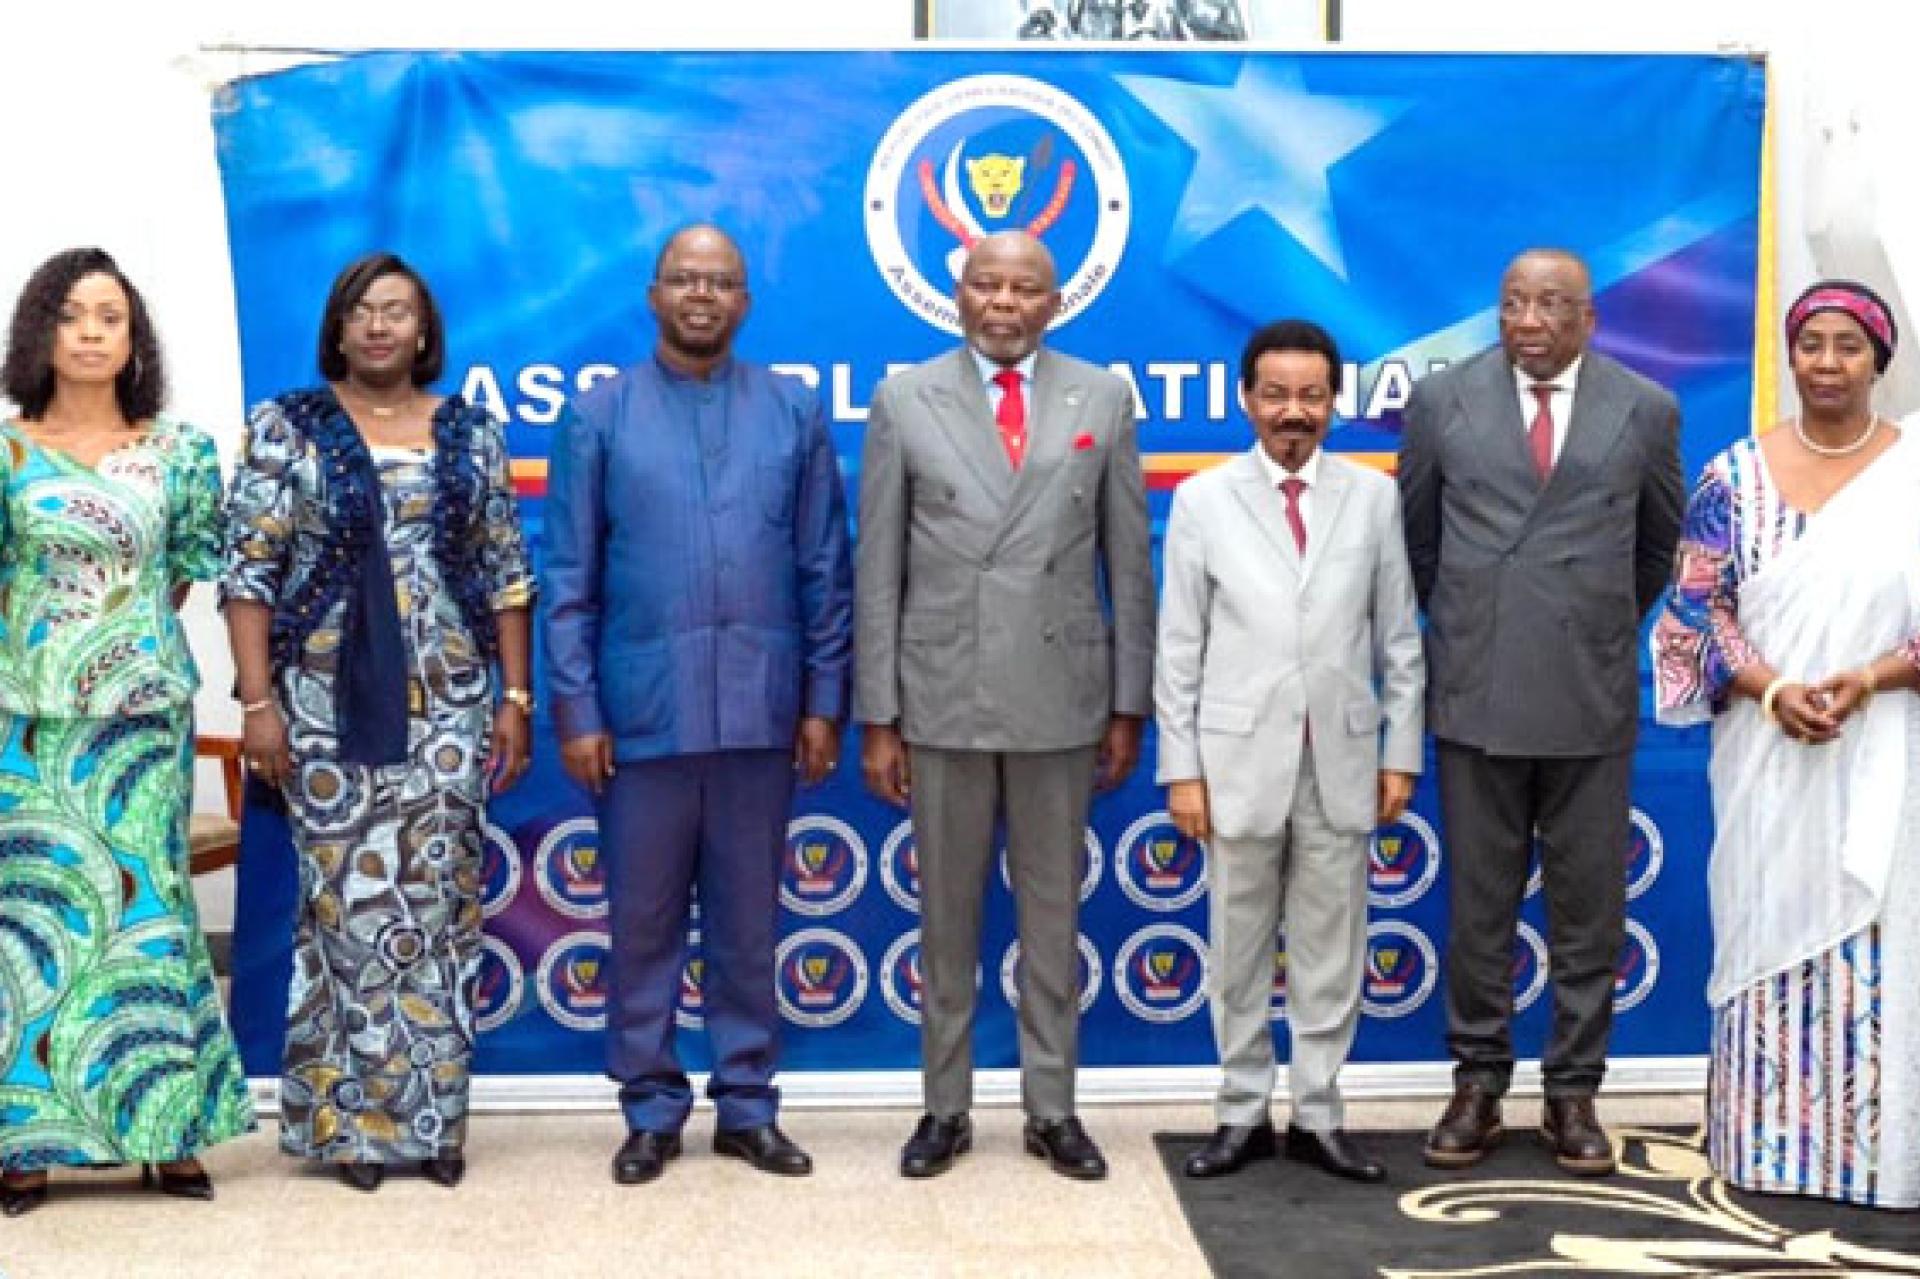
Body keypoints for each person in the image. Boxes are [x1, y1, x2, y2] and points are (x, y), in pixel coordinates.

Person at [542, 224, 852, 1187]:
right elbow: (568, 580)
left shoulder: (793, 413)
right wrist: (578, 711)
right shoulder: (599, 417)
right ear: (654, 293)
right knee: (640, 922)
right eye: (686, 279)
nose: (703, 296)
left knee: (749, 920)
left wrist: (824, 701)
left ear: (746, 301)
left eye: (721, 281)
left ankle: (748, 1104)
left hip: (762, 713)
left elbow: (822, 570)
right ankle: (649, 1106)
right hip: (639, 720)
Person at [221, 252, 535, 1193]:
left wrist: (514, 698)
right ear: (338, 327)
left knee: (438, 904)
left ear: (425, 329)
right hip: (319, 704)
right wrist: (256, 704)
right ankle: (350, 1123)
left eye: (397, 311)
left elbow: (504, 568)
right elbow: (248, 577)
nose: (379, 326)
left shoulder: (471, 431)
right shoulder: (289, 427)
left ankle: (433, 1121)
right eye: (361, 311)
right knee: (346, 907)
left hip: (449, 699)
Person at [856, 230, 1155, 1181]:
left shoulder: (1101, 398)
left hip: (1062, 700)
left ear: (1053, 301)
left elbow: (1129, 568)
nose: (1004, 302)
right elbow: (878, 572)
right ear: (959, 295)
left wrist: (1127, 705)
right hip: (941, 696)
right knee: (946, 920)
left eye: (1025, 287)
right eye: (987, 283)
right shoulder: (906, 399)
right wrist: (879, 713)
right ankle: (944, 1107)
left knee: (1053, 918)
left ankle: (1051, 1106)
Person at [1398, 246, 1684, 1176]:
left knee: (1587, 909)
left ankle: (1574, 1092)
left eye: (1550, 304)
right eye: (1512, 300)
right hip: (1476, 691)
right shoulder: (1444, 403)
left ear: (1588, 318)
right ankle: (1477, 1080)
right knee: (1479, 905)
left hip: (1589, 694)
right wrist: (1483, 620)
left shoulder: (1644, 408)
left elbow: (1657, 546)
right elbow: (1419, 542)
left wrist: (1588, 622)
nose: (1528, 319)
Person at [1652, 280, 1920, 1208]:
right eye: (1813, 345)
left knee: (1881, 941)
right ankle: (1768, 1149)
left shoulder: (1914, 474)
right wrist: (1773, 691)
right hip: (1770, 754)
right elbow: (1696, 611)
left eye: (1850, 347)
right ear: (1789, 355)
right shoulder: (1733, 476)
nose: (1830, 364)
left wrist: (1869, 677)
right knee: (1767, 921)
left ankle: (1879, 1156)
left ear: (1879, 361)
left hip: (1889, 748)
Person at [0, 247, 253, 1214]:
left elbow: (185, 567)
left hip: (143, 716)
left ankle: (167, 1131)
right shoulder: (10, 450)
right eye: (74, 315)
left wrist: (116, 640)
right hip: (29, 719)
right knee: (36, 922)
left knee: (148, 917)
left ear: (134, 338)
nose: (95, 331)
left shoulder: (179, 451)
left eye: (112, 315)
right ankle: (28, 1143)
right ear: (43, 333)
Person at [1157, 320, 1423, 1183]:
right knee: (1235, 951)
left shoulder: (1373, 498)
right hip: (1234, 764)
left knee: (1330, 948)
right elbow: (1178, 648)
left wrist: (1400, 753)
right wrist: (1182, 768)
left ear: (1334, 405)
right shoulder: (1204, 499)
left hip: (1343, 759)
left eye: (1311, 396)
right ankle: (1239, 1111)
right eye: (1276, 395)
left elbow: (1401, 641)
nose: (1293, 413)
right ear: (1246, 398)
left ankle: (1318, 1112)